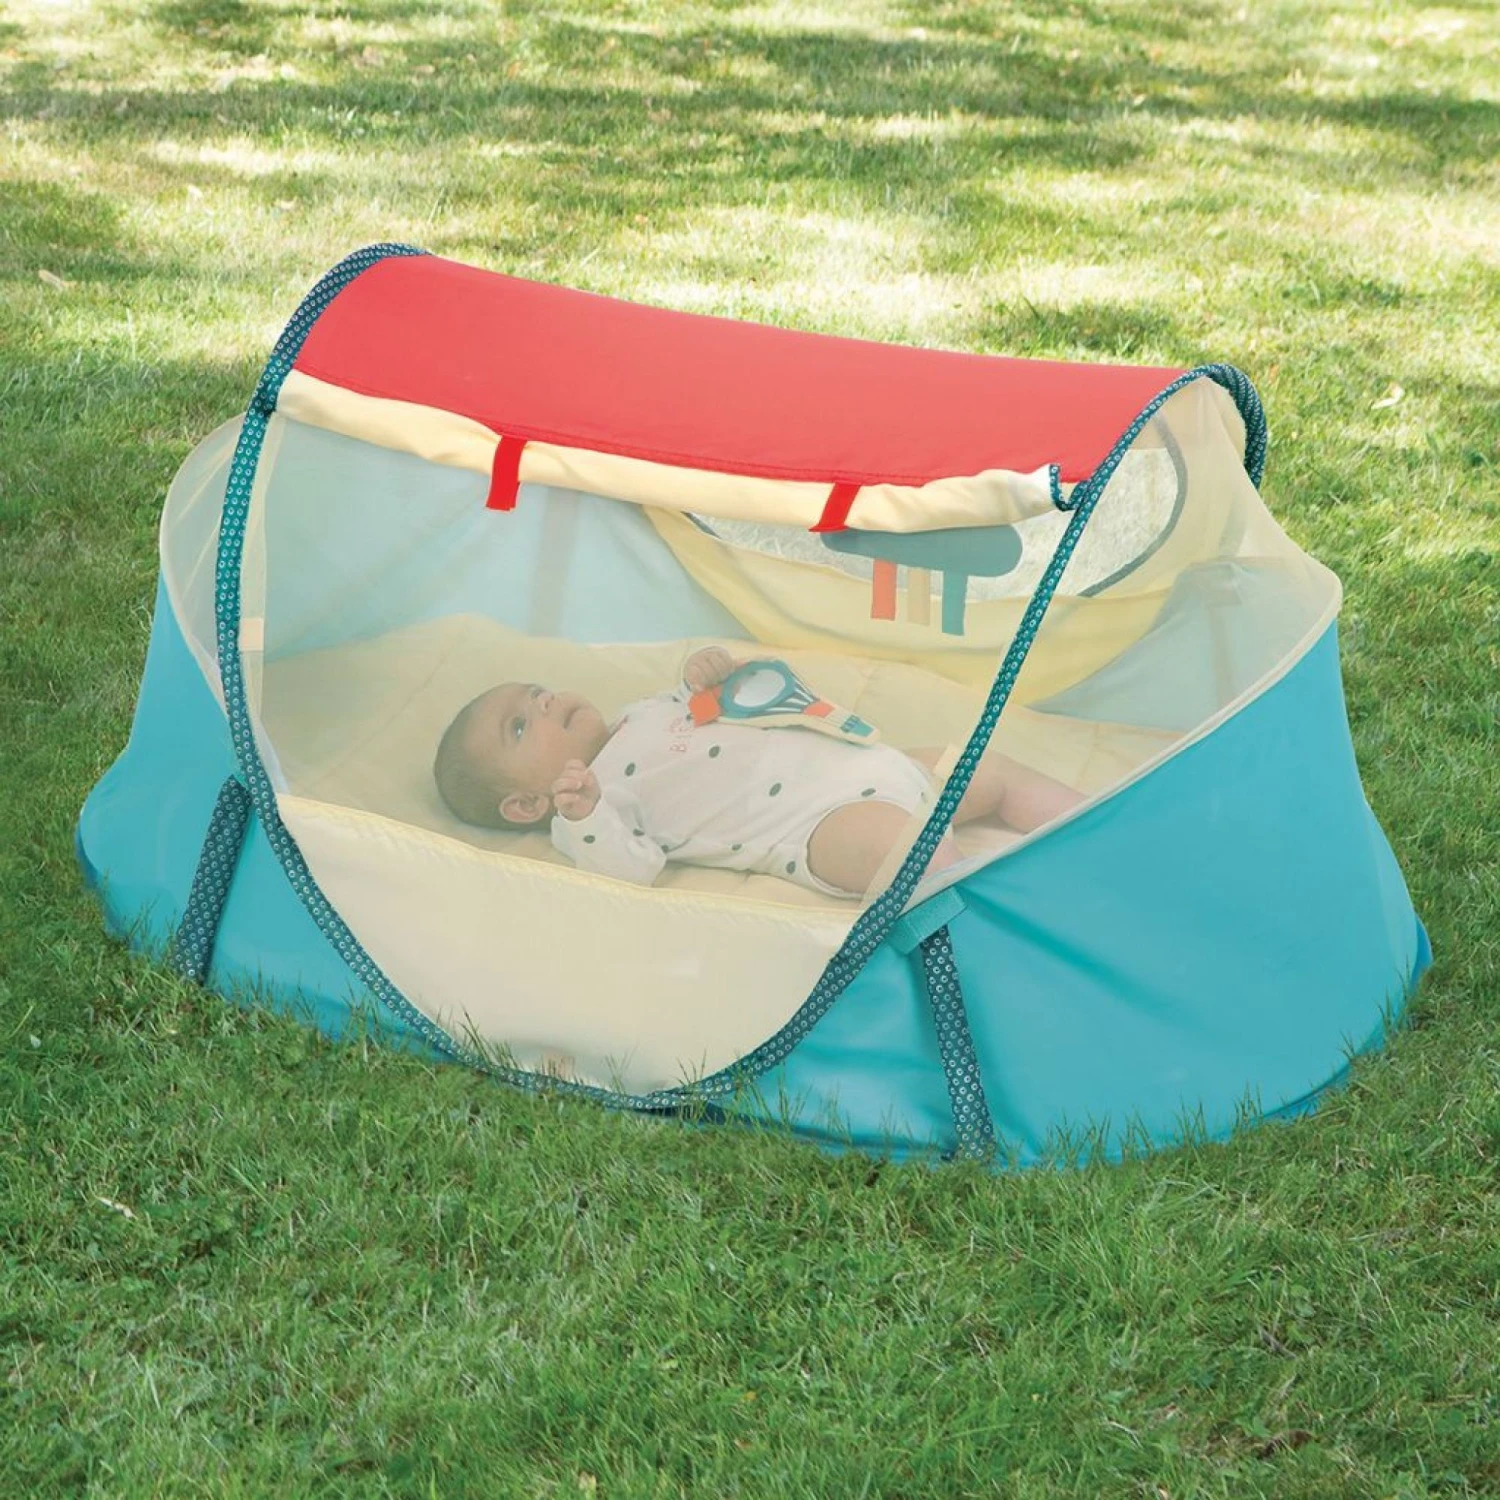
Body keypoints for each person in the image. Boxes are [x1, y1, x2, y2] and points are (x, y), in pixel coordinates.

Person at [434, 647, 1080, 897]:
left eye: (537, 692)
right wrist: (583, 812)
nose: (545, 702)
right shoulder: (587, 812)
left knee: (988, 771)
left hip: (871, 762)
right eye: (520, 726)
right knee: (914, 851)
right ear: (526, 805)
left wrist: (710, 675)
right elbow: (630, 869)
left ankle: (1094, 821)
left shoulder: (638, 712)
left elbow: (732, 703)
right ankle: (1012, 911)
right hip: (820, 824)